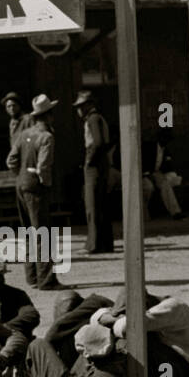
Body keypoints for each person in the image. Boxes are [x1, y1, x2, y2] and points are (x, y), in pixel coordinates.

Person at [6, 94, 64, 290]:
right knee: (43, 232)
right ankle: (46, 279)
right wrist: (45, 183)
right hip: (36, 187)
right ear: (48, 116)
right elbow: (44, 166)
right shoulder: (47, 137)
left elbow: (11, 160)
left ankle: (31, 276)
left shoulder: (23, 135)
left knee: (28, 231)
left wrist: (21, 174)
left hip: (20, 184)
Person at [75, 90, 114, 254]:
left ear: (89, 105)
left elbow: (97, 143)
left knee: (92, 206)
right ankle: (105, 243)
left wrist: (88, 161)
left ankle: (94, 244)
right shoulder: (99, 118)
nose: (78, 109)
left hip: (94, 165)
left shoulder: (92, 119)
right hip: (102, 164)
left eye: (81, 106)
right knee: (101, 204)